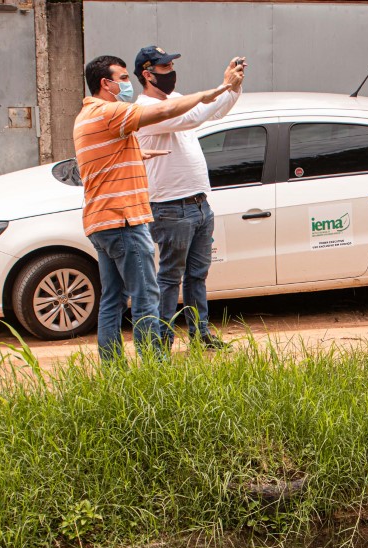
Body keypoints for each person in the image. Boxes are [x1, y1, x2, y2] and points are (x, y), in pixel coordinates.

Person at [73, 54, 240, 360]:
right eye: (123, 79)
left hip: (103, 220)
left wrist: (136, 156)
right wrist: (212, 91)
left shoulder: (88, 116)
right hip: (124, 219)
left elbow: (106, 162)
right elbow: (165, 110)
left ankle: (114, 371)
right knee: (146, 295)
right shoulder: (109, 112)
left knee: (113, 299)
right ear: (105, 84)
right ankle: (155, 368)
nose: (127, 85)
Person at [134, 48, 245, 350]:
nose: (171, 70)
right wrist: (223, 86)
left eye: (171, 65)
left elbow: (217, 110)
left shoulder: (174, 99)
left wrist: (234, 86)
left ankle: (201, 335)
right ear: (147, 74)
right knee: (170, 279)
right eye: (165, 66)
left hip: (198, 204)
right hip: (171, 207)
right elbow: (194, 116)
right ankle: (160, 344)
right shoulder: (146, 110)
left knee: (197, 275)